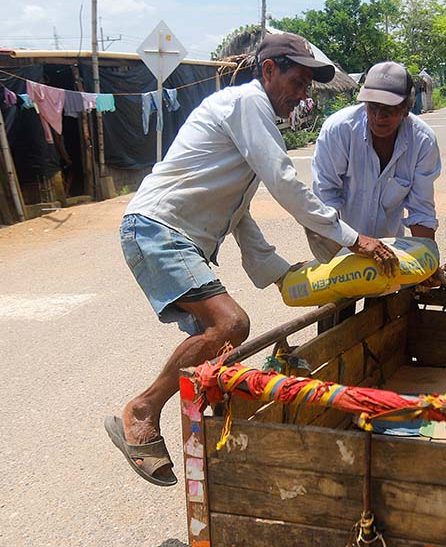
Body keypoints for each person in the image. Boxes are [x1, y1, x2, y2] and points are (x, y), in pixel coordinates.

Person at [104, 32, 399, 487]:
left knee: (220, 355)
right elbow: (286, 184)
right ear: (269, 70)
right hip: (156, 229)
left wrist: (281, 273)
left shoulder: (251, 118)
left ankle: (225, 463)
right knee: (231, 325)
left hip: (173, 237)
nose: (302, 95)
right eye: (298, 82)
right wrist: (353, 239)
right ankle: (141, 411)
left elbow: (241, 217)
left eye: (307, 88)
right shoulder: (248, 105)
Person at [306, 61, 442, 264]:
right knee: (338, 294)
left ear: (406, 108)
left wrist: (428, 262)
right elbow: (325, 199)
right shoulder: (338, 130)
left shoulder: (422, 141)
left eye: (389, 109)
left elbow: (421, 211)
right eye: (373, 107)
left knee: (401, 292)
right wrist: (352, 242)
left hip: (390, 249)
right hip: (340, 245)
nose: (379, 117)